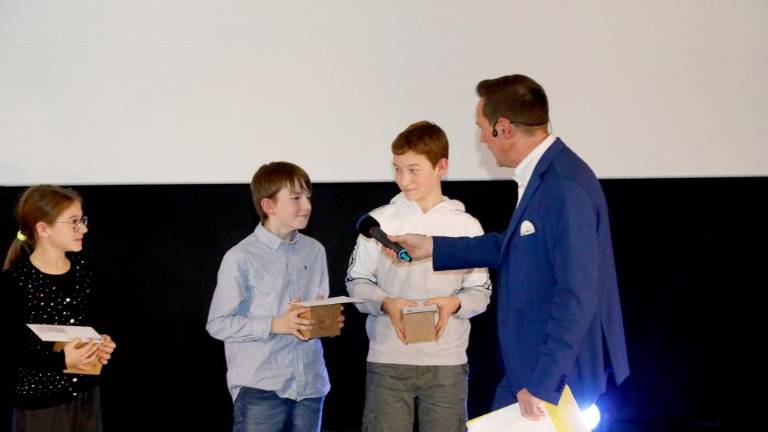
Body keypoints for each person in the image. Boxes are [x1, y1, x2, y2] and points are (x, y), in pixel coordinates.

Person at [390, 75, 630, 420]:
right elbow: (517, 246)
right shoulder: (547, 174)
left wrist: (545, 383)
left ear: (503, 128)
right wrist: (432, 247)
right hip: (532, 367)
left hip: (554, 376)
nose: (481, 139)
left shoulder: (563, 185)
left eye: (482, 128)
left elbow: (577, 293)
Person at [346, 121, 491, 431]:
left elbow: (480, 291)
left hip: (447, 363)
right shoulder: (378, 222)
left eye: (413, 170)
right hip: (388, 361)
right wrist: (385, 302)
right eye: (397, 169)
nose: (404, 180)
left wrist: (454, 304)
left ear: (441, 167)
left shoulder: (466, 226)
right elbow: (356, 281)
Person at [206, 161, 342, 432]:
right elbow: (218, 324)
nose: (307, 206)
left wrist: (325, 321)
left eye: (308, 197)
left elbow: (314, 309)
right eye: (296, 198)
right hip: (261, 388)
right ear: (268, 206)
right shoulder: (241, 257)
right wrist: (276, 324)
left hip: (310, 384)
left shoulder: (315, 250)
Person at [2, 184, 117, 432]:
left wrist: (101, 344)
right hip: (39, 406)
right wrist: (61, 360)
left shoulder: (86, 273)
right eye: (74, 222)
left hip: (85, 398)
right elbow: (10, 351)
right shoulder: (15, 282)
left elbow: (94, 325)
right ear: (43, 228)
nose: (83, 229)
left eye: (82, 220)